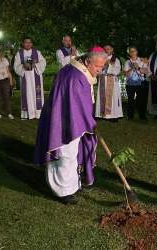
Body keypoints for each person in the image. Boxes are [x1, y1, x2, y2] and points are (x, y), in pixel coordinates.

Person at [34, 46, 107, 204]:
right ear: (87, 61)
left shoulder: (76, 70)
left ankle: (72, 186)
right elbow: (75, 105)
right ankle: (63, 191)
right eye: (98, 66)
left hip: (69, 117)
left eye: (102, 66)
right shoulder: (76, 77)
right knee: (65, 154)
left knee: (72, 154)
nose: (100, 70)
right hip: (65, 121)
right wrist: (89, 122)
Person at [14, 37, 46, 120]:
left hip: (36, 76)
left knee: (37, 94)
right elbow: (16, 66)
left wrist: (35, 64)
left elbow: (43, 62)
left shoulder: (37, 52)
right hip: (26, 77)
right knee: (27, 94)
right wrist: (23, 66)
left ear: (32, 44)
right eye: (26, 42)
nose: (28, 44)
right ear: (23, 43)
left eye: (29, 42)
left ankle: (38, 114)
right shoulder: (19, 53)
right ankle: (26, 114)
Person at [95, 44, 123, 121]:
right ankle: (101, 114)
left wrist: (109, 65)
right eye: (105, 49)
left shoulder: (116, 59)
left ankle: (112, 116)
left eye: (108, 49)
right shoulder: (101, 58)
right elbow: (97, 70)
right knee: (102, 96)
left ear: (112, 49)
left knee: (112, 97)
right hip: (103, 79)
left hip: (112, 80)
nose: (107, 50)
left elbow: (117, 71)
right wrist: (103, 66)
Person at [123, 46, 149, 120]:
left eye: (134, 51)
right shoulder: (127, 62)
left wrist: (138, 67)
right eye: (131, 51)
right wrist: (132, 68)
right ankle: (130, 115)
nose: (132, 53)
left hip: (140, 83)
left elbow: (146, 72)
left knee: (141, 100)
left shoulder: (142, 60)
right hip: (130, 83)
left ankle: (142, 115)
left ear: (137, 52)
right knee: (130, 100)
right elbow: (125, 74)